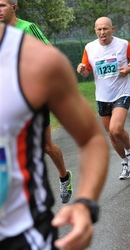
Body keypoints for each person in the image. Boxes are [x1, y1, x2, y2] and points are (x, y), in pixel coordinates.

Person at [0, 23, 109, 250]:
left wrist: (85, 204)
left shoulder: (36, 61)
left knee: (48, 146)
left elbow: (91, 137)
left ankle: (64, 178)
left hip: (22, 247)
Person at [0, 0, 73, 203]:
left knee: (46, 147)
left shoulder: (28, 27)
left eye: (2, 5)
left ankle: (64, 178)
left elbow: (50, 54)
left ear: (14, 7)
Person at [77, 17, 130, 179]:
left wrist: (129, 68)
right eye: (99, 29)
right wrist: (82, 69)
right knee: (112, 136)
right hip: (102, 97)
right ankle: (125, 162)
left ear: (113, 29)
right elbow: (86, 72)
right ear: (95, 31)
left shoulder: (123, 44)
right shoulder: (90, 48)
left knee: (116, 129)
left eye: (105, 29)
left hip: (121, 92)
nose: (102, 32)